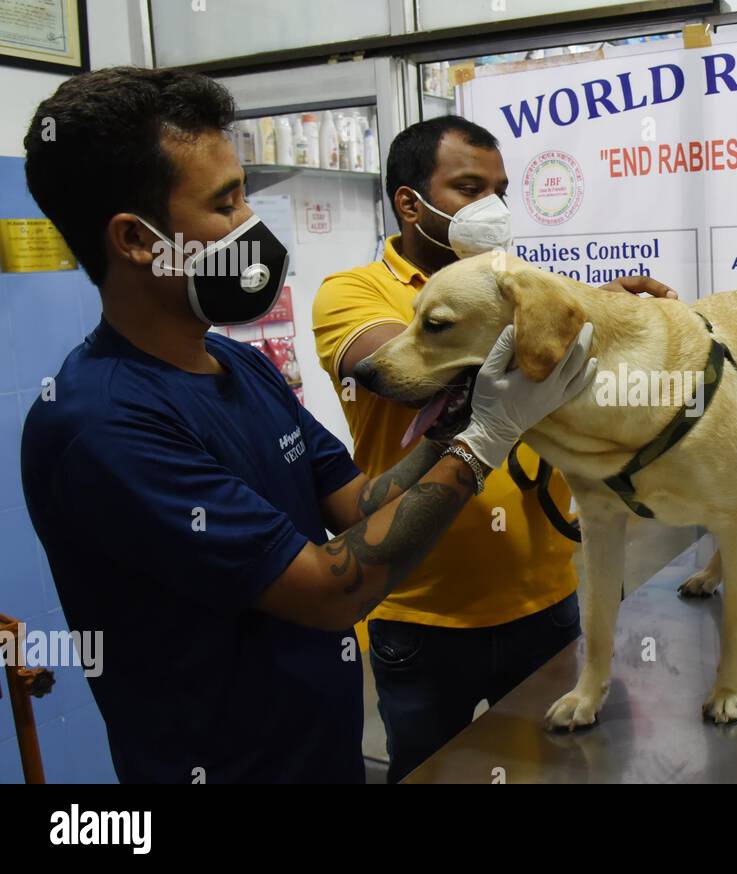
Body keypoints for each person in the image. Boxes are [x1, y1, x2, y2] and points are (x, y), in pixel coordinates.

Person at [20, 68, 593, 783]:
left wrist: (459, 429)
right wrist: (481, 446)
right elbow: (331, 590)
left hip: (323, 759)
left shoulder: (238, 367)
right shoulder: (102, 424)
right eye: (226, 203)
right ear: (138, 240)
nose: (250, 225)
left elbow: (360, 505)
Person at [312, 115, 676, 782]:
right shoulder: (352, 292)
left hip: (550, 598)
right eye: (469, 187)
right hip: (423, 612)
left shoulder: (520, 287)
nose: (493, 208)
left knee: (566, 769)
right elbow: (403, 370)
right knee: (434, 773)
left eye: (501, 190)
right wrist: (573, 317)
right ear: (409, 203)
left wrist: (600, 312)